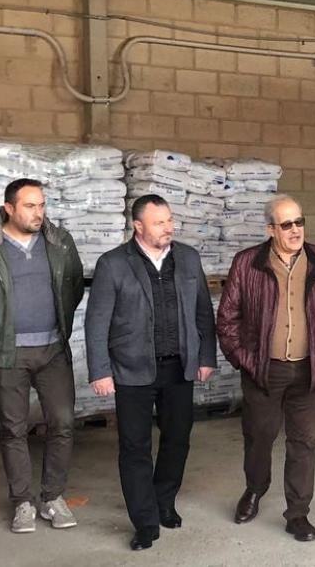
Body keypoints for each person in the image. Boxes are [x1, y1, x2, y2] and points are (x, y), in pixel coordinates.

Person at [85, 194, 217, 552]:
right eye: (159, 222)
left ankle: (164, 502)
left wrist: (206, 356)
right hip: (131, 369)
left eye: (170, 220)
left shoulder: (188, 258)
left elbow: (204, 312)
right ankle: (144, 521)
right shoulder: (113, 263)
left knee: (178, 438)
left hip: (179, 366)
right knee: (134, 447)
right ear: (138, 226)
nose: (168, 227)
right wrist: (100, 370)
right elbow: (96, 322)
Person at [0, 178, 84, 534]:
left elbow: (73, 286)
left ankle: (53, 497)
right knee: (13, 428)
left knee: (63, 422)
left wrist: (57, 326)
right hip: (8, 353)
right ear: (9, 208)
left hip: (53, 349)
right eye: (30, 206)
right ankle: (23, 502)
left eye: (41, 205)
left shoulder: (59, 242)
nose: (38, 213)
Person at [216, 194, 315, 543]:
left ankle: (298, 514)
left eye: (299, 222)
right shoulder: (248, 264)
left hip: (310, 372)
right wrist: (246, 360)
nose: (295, 230)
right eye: (286, 224)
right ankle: (255, 489)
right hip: (265, 371)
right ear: (270, 229)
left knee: (305, 442)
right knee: (259, 437)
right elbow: (227, 320)